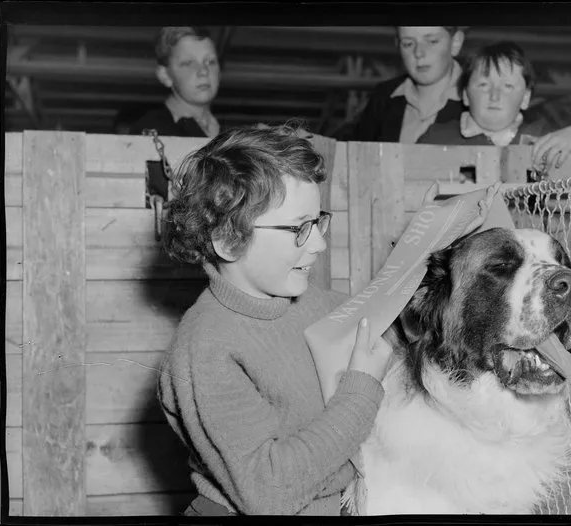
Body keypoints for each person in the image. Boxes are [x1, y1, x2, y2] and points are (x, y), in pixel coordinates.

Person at [157, 123, 393, 516]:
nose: (318, 242)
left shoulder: (316, 301)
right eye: (299, 228)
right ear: (229, 239)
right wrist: (361, 390)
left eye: (318, 221)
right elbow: (269, 491)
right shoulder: (205, 350)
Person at [418, 41, 571, 172]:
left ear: (525, 98)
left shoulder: (543, 139)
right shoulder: (436, 137)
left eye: (508, 86)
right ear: (465, 95)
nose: (495, 95)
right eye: (483, 84)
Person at [346, 26, 466, 143]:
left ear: (455, 42)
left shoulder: (476, 100)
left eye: (432, 41)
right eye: (408, 44)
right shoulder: (383, 97)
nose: (419, 53)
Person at [130, 27, 221, 138]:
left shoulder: (230, 133)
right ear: (165, 75)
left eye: (210, 61)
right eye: (188, 63)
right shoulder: (149, 132)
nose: (203, 71)